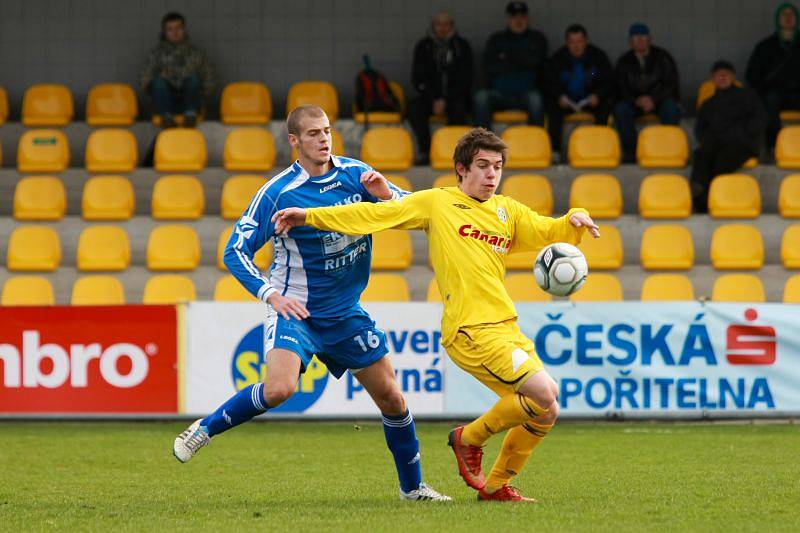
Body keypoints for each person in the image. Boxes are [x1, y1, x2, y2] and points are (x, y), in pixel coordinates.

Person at [272, 128, 600, 502]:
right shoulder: (437, 204)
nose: (491, 175)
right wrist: (310, 216)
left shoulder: (507, 212)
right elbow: (372, 214)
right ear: (461, 169)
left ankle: (495, 488)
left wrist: (576, 216)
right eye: (482, 166)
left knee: (546, 411)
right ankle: (468, 439)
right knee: (546, 391)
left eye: (497, 167)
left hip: (506, 327)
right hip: (470, 330)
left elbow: (550, 229)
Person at [172, 105, 450, 502]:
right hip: (297, 310)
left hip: (345, 313)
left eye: (327, 131)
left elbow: (410, 210)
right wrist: (271, 294)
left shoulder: (357, 175)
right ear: (294, 141)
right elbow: (235, 251)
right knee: (280, 389)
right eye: (314, 133)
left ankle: (413, 488)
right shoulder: (278, 192)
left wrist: (386, 195)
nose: (324, 139)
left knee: (392, 397)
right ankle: (205, 428)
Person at [692, 61, 766, 212]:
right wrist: (708, 141)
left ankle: (704, 199)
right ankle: (698, 188)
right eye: (718, 75)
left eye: (726, 74)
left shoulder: (748, 97)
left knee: (721, 161)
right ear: (713, 79)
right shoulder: (708, 104)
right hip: (717, 143)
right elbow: (700, 129)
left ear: (733, 77)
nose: (722, 77)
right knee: (701, 154)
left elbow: (760, 119)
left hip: (741, 144)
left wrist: (743, 135)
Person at [409, 12, 473, 165]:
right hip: (430, 97)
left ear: (452, 26)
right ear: (433, 25)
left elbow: (466, 78)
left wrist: (446, 99)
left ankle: (456, 152)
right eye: (439, 24)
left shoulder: (461, 46)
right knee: (414, 108)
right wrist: (434, 99)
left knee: (459, 108)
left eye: (447, 24)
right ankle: (426, 151)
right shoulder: (423, 46)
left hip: (454, 97)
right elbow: (417, 78)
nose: (442, 28)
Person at [473, 2, 547, 130]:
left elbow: (538, 64)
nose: (518, 21)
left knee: (537, 100)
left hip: (526, 93)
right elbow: (489, 67)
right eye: (514, 17)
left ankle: (536, 143)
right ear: (508, 19)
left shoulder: (537, 38)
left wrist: (507, 58)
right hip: (500, 94)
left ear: (527, 18)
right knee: (481, 97)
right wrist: (523, 60)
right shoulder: (496, 39)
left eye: (522, 16)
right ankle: (484, 144)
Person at [612, 23, 681, 162]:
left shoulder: (662, 57)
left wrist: (653, 99)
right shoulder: (624, 61)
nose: (640, 42)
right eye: (636, 39)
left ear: (649, 40)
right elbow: (620, 87)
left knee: (671, 108)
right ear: (630, 42)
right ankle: (632, 151)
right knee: (621, 110)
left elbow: (671, 84)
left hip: (659, 101)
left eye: (643, 38)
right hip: (635, 102)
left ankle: (669, 149)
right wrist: (636, 100)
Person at [544, 23, 613, 155]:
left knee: (606, 106)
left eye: (579, 41)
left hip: (590, 100)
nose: (576, 46)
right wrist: (559, 96)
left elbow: (608, 81)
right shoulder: (558, 59)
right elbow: (548, 82)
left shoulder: (597, 57)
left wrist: (597, 95)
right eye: (572, 42)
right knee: (552, 109)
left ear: (585, 41)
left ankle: (601, 148)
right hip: (566, 101)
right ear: (567, 42)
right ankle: (555, 152)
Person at [138, 12, 216, 128]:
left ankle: (190, 115)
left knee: (193, 80)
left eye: (178, 28)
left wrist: (201, 98)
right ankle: (166, 117)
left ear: (184, 29)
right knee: (159, 82)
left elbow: (210, 80)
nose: (175, 32)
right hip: (164, 104)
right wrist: (160, 80)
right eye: (170, 29)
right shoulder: (156, 55)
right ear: (164, 32)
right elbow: (144, 80)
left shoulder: (196, 55)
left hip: (192, 106)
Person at [745, 3, 800, 151]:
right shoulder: (764, 46)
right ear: (778, 19)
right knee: (769, 101)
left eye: (791, 15)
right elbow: (752, 75)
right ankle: (774, 145)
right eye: (784, 15)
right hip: (774, 94)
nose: (788, 18)